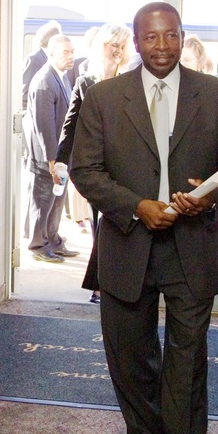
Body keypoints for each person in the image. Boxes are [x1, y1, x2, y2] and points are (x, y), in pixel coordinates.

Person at [70, 2, 218, 434]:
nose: (162, 46)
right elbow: (86, 172)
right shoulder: (104, 97)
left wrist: (210, 195)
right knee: (131, 357)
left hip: (194, 247)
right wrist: (136, 206)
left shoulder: (216, 95)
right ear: (136, 40)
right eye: (151, 38)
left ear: (182, 36)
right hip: (128, 245)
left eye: (170, 36)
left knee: (187, 360)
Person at [56, 22, 132, 302]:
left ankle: (108, 282)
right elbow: (71, 123)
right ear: (102, 46)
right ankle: (102, 284)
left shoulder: (132, 81)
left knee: (113, 224)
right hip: (94, 169)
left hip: (125, 166)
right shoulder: (85, 82)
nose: (117, 50)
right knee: (100, 223)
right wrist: (60, 161)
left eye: (122, 45)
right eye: (113, 44)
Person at [26, 34, 80, 263]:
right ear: (52, 54)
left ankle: (53, 240)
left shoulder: (62, 77)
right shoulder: (44, 81)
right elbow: (44, 124)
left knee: (57, 200)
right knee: (43, 200)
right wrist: (51, 158)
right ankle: (38, 244)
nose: (70, 57)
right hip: (46, 156)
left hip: (60, 155)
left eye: (72, 52)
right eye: (65, 52)